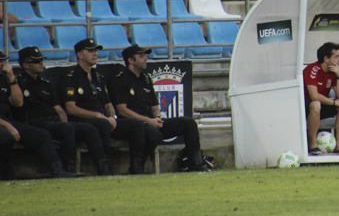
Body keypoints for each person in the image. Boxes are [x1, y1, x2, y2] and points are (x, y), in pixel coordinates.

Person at [110, 44, 211, 172]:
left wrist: (157, 117)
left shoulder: (146, 79)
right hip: (134, 125)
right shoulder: (120, 81)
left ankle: (196, 163)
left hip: (151, 122)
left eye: (145, 56)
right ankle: (137, 166)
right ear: (131, 60)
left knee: (189, 123)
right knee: (153, 134)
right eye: (141, 56)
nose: (146, 59)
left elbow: (155, 106)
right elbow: (122, 110)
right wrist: (148, 121)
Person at [16, 46, 108, 176]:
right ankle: (68, 167)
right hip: (34, 122)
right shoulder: (19, 83)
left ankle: (103, 166)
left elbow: (59, 109)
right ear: (25, 65)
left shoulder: (45, 84)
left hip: (52, 121)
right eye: (37, 61)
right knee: (66, 129)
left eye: (41, 60)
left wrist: (64, 122)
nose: (41, 63)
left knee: (88, 129)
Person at [60, 39, 148, 174]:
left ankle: (137, 166)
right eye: (90, 51)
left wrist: (112, 116)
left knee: (136, 125)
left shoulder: (98, 77)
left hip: (103, 119)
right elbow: (71, 108)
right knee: (102, 124)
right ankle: (104, 165)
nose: (95, 54)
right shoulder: (71, 77)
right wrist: (98, 115)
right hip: (83, 120)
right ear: (80, 55)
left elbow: (108, 103)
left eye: (96, 51)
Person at [0, 50, 82, 180]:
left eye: (3, 61)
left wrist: (11, 80)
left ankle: (58, 170)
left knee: (42, 135)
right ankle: (5, 170)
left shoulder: (4, 79)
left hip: (7, 119)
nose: (2, 64)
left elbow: (18, 103)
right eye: (0, 61)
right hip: (4, 122)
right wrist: (8, 126)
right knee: (6, 137)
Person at [302, 43, 339, 156]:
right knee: (316, 104)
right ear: (326, 58)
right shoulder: (312, 69)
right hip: (305, 107)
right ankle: (313, 145)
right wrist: (334, 103)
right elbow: (314, 95)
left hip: (321, 106)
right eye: (336, 56)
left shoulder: (333, 71)